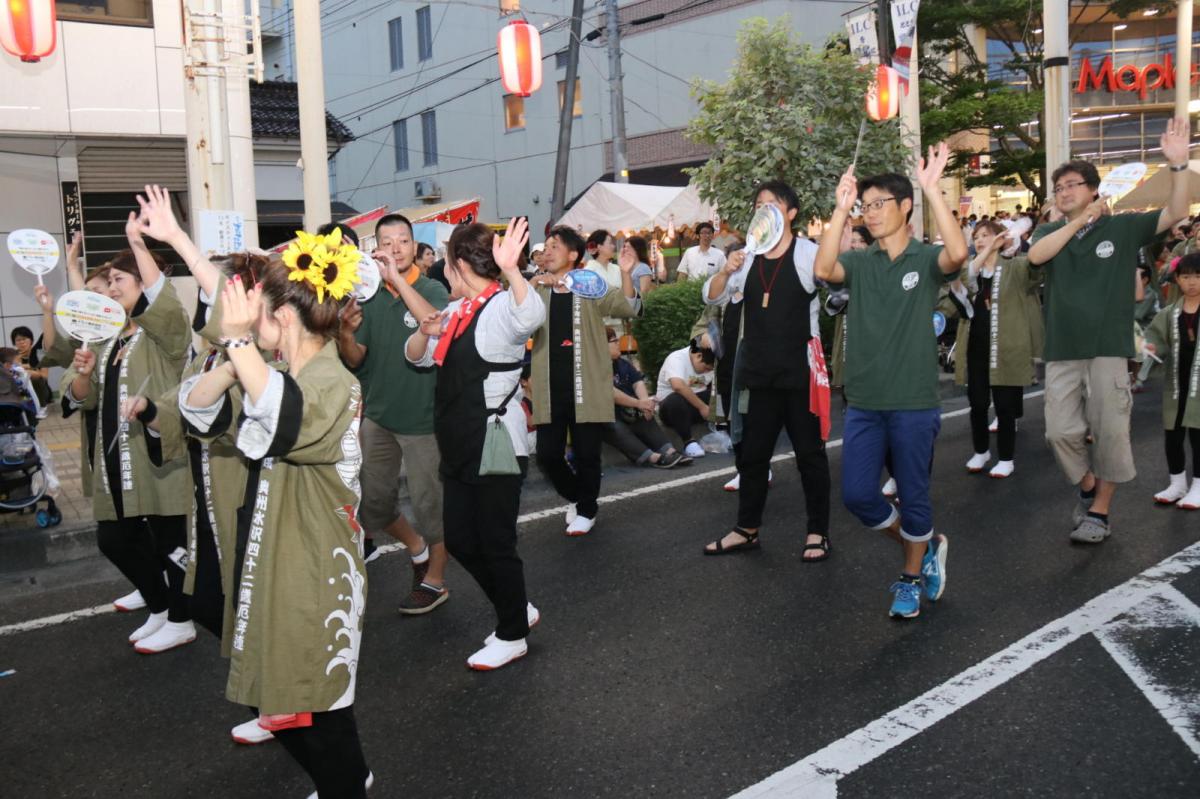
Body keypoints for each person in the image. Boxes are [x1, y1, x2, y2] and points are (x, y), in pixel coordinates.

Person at [180, 251, 372, 798]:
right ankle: (344, 781)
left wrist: (240, 344)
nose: (244, 320)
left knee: (316, 706)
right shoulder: (278, 375)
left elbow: (285, 419)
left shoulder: (333, 380)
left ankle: (345, 785)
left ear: (282, 316)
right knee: (282, 698)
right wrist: (230, 358)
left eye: (255, 309)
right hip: (277, 557)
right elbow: (197, 409)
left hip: (313, 565)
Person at [120, 184, 277, 745]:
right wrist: (151, 410)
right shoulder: (215, 349)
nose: (212, 302)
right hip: (209, 497)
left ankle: (280, 706)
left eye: (226, 290)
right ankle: (270, 700)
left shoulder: (262, 351)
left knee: (246, 604)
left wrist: (179, 241)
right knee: (211, 601)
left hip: (247, 497)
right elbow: (182, 401)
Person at [814, 142, 969, 617]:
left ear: (905, 208)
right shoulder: (860, 263)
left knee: (913, 494)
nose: (871, 212)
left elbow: (958, 253)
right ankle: (922, 547)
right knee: (858, 495)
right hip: (864, 401)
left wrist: (932, 189)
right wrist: (841, 210)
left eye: (880, 203)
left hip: (913, 402)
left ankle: (910, 578)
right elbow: (823, 269)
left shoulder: (924, 260)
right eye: (866, 205)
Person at [1027, 117, 1193, 544]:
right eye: (1059, 188)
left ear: (1093, 189)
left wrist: (1178, 164)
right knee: (1059, 432)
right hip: (1062, 348)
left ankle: (1099, 512)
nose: (1064, 192)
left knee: (1110, 433)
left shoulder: (1122, 228)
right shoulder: (1050, 230)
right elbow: (1036, 257)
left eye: (1072, 185)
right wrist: (1077, 222)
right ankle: (1087, 487)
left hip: (1108, 347)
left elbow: (1176, 211)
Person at [406, 219, 546, 670]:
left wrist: (513, 271)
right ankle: (517, 606)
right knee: (462, 539)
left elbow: (531, 316)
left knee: (496, 541)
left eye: (447, 262)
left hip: (495, 442)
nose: (443, 269)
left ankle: (513, 633)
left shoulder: (502, 305)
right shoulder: (455, 313)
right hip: (458, 442)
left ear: (460, 265)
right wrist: (423, 331)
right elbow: (417, 357)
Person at [66, 212, 195, 651]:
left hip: (157, 455)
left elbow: (167, 308)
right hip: (116, 460)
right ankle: (160, 605)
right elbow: (83, 398)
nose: (112, 288)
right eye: (111, 281)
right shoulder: (110, 339)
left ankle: (181, 618)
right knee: (114, 537)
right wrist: (84, 375)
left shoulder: (165, 336)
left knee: (170, 540)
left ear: (143, 285)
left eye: (120, 279)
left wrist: (139, 245)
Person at [701, 180, 833, 563]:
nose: (763, 209)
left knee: (810, 455)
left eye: (771, 203)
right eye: (758, 204)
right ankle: (746, 529)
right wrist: (726, 270)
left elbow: (836, 284)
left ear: (791, 212)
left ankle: (818, 532)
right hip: (759, 372)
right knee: (753, 457)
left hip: (800, 373)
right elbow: (712, 296)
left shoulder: (808, 253)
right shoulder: (746, 256)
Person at [337, 214, 452, 614]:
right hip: (379, 416)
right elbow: (356, 358)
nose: (396, 248)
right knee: (373, 503)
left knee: (430, 506)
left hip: (424, 419)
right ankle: (417, 547)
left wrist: (398, 282)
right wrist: (345, 333)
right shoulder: (367, 296)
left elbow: (435, 326)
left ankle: (436, 579)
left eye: (403, 240)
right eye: (387, 242)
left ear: (413, 246)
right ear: (377, 248)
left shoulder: (432, 288)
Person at [528, 225, 640, 536]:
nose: (547, 251)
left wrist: (626, 273)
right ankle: (579, 497)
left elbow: (625, 305)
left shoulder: (588, 284)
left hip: (585, 383)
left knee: (588, 452)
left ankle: (587, 510)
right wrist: (533, 283)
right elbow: (515, 319)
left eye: (555, 246)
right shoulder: (537, 290)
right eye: (546, 246)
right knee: (548, 455)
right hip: (549, 386)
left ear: (573, 255)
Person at [947, 220, 1043, 478]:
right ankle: (981, 451)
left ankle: (1006, 457)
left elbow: (1037, 272)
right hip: (976, 347)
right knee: (977, 404)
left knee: (1005, 406)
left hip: (1006, 348)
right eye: (976, 236)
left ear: (1000, 237)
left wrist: (1007, 247)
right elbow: (961, 284)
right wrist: (987, 251)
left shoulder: (1015, 266)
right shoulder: (972, 271)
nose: (979, 240)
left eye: (985, 235)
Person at [1143, 252, 1200, 509]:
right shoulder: (1169, 313)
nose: (1192, 282)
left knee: (1198, 435)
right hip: (1176, 382)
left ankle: (1198, 485)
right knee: (1173, 434)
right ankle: (1177, 483)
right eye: (1186, 276)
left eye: (1197, 276)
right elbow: (1157, 341)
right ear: (1176, 279)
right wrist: (1152, 348)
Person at [603, 327, 687, 468]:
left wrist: (644, 402)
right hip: (608, 416)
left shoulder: (621, 363)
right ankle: (652, 458)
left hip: (628, 410)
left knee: (645, 413)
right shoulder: (595, 367)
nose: (618, 343)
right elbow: (610, 392)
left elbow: (638, 382)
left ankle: (669, 451)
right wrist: (638, 403)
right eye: (614, 341)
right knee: (612, 424)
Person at [655, 338, 715, 458]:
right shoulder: (676, 358)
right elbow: (677, 386)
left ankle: (724, 431)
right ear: (699, 356)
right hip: (672, 410)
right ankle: (689, 442)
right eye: (706, 368)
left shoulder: (711, 362)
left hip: (695, 407)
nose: (707, 372)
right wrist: (702, 407)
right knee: (675, 400)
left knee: (720, 394)